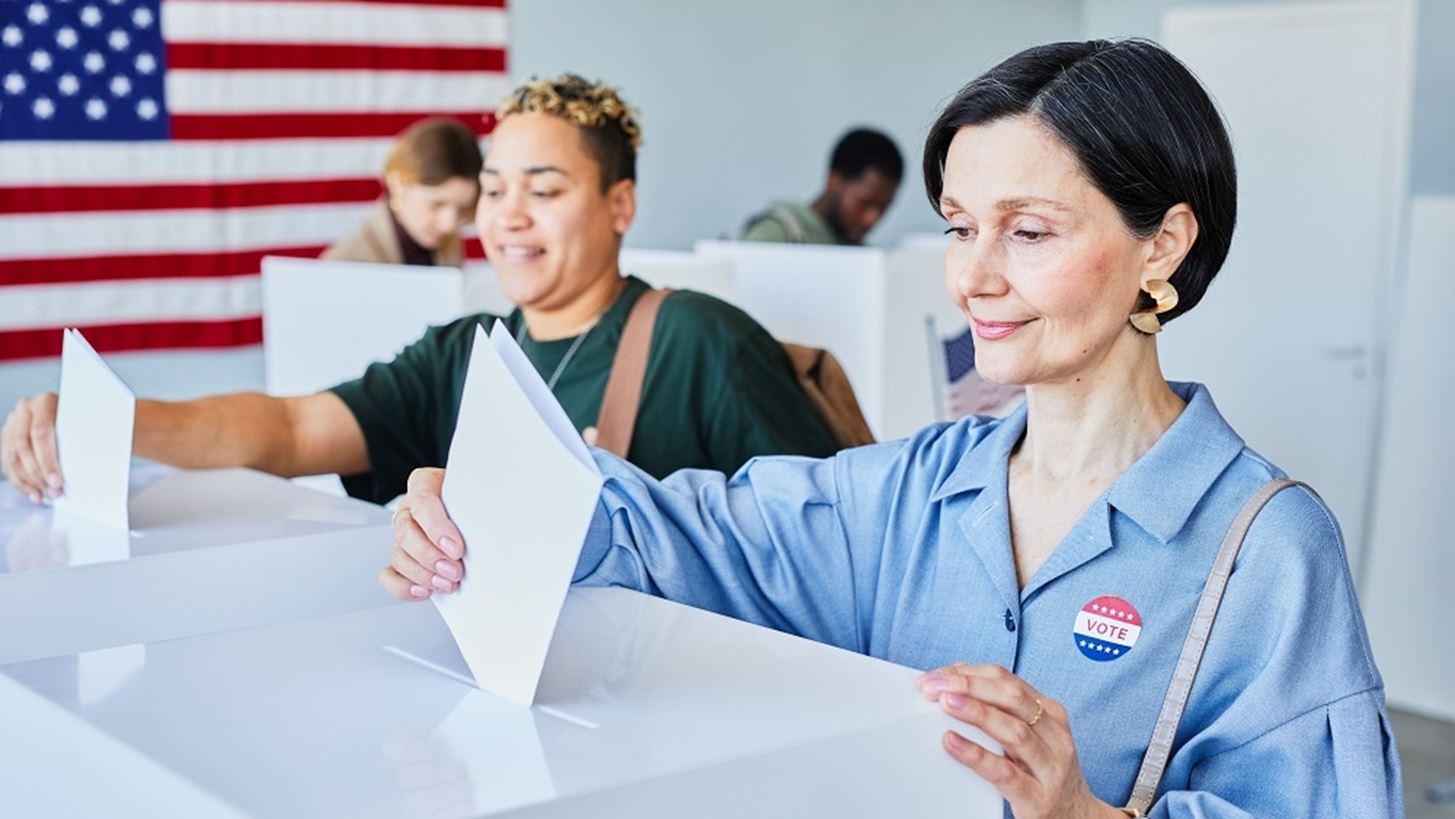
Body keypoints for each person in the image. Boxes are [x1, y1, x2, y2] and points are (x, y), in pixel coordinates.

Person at [384, 41, 1402, 817]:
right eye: (961, 225)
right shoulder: (916, 488)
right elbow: (694, 529)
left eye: (1029, 231)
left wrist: (1082, 812)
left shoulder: (1265, 547)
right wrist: (484, 506)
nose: (973, 274)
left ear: (1162, 246)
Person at [1, 75, 837, 507]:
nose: (508, 217)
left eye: (542, 190)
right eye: (496, 188)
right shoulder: (461, 352)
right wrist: (109, 418)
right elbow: (289, 428)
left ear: (620, 204)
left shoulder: (700, 338)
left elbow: (826, 532)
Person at [323, 117, 483, 267]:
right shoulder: (345, 264)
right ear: (397, 186)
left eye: (462, 208)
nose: (449, 225)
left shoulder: (450, 246)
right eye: (437, 204)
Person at [740, 127, 902, 246]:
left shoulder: (864, 255)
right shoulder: (779, 231)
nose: (871, 219)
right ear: (835, 180)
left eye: (884, 208)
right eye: (864, 202)